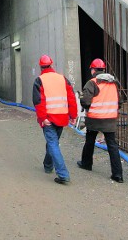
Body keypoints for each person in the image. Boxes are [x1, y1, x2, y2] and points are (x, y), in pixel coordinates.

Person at [32, 54, 77, 184]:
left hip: (49, 119)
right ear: (52, 65)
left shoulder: (39, 80)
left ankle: (63, 174)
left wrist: (42, 118)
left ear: (41, 67)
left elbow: (38, 101)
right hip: (62, 117)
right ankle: (47, 165)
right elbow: (71, 98)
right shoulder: (63, 79)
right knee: (52, 142)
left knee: (53, 143)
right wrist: (73, 116)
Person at [77, 58, 124, 183]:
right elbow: (119, 102)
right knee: (112, 146)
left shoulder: (92, 83)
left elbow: (85, 101)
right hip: (110, 119)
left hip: (95, 119)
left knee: (90, 141)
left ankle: (86, 163)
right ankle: (117, 174)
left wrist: (88, 108)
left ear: (93, 70)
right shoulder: (114, 83)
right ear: (103, 70)